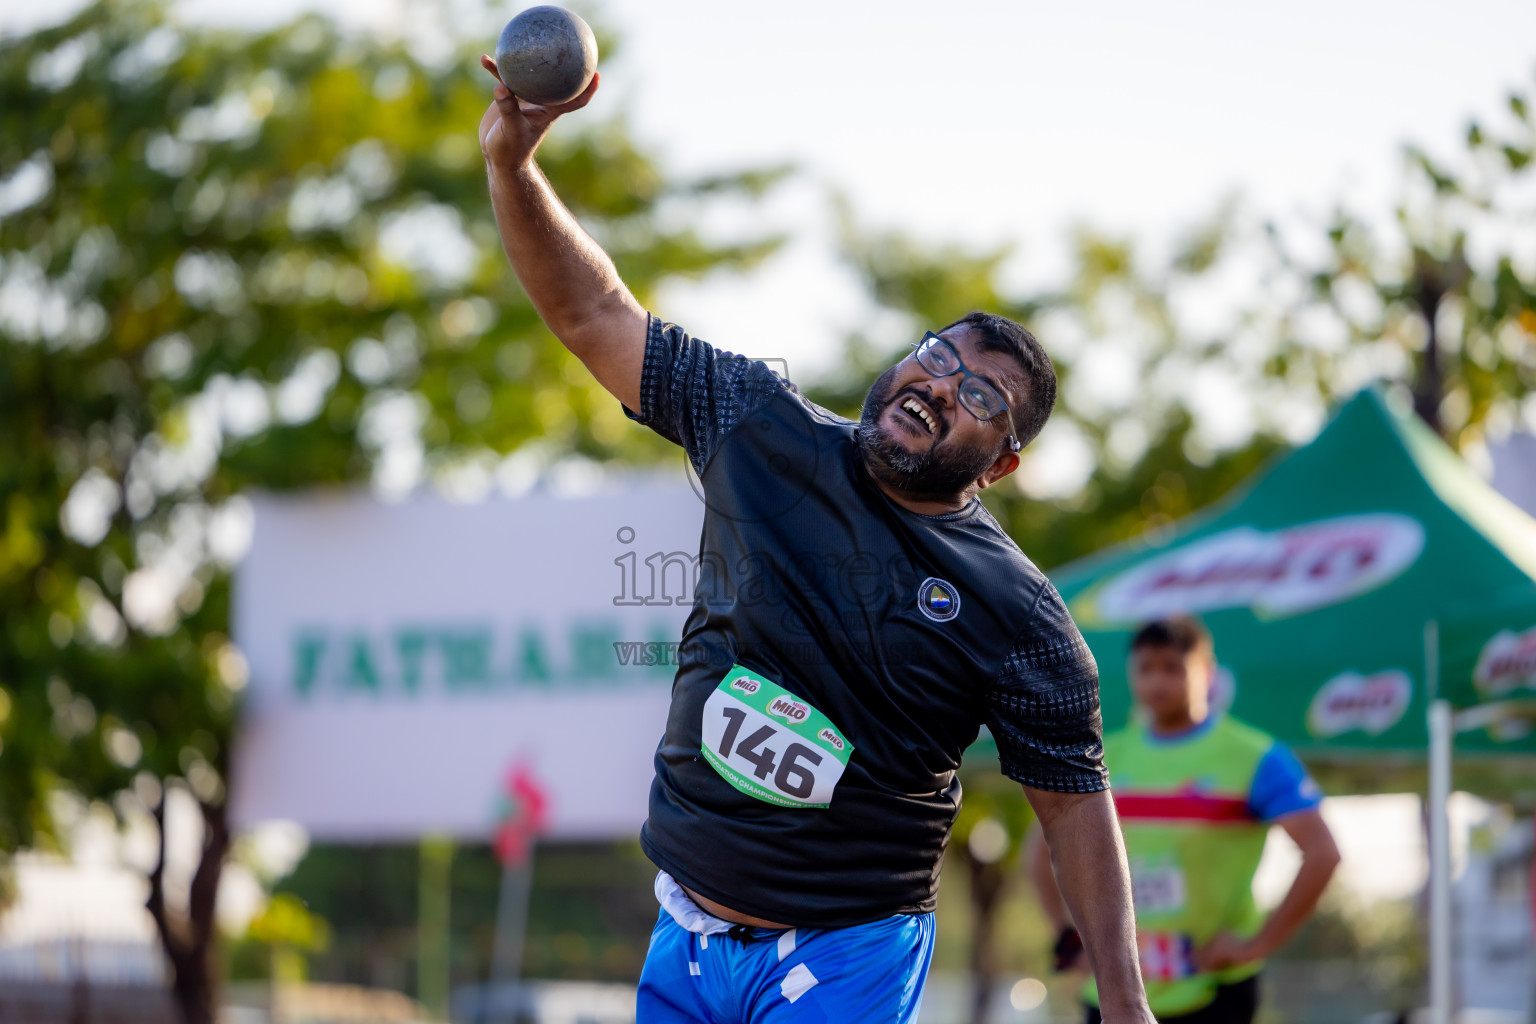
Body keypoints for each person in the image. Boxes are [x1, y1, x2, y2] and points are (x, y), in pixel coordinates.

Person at [475, 59, 1156, 1024]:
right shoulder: (760, 426)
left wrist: (1125, 1009)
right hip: (686, 935)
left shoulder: (1018, 616)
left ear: (999, 465)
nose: (938, 385)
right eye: (937, 357)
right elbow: (594, 314)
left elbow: (1076, 807)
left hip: (848, 952)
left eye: (979, 398)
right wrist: (512, 167)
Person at [1029, 618, 1341, 1024]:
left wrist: (1257, 945)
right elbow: (1041, 851)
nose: (1157, 681)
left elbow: (1323, 853)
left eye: (1173, 668)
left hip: (1214, 992)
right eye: (1146, 669)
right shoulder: (1101, 757)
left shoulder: (1256, 757)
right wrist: (1068, 936)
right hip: (1113, 991)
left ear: (1207, 673)